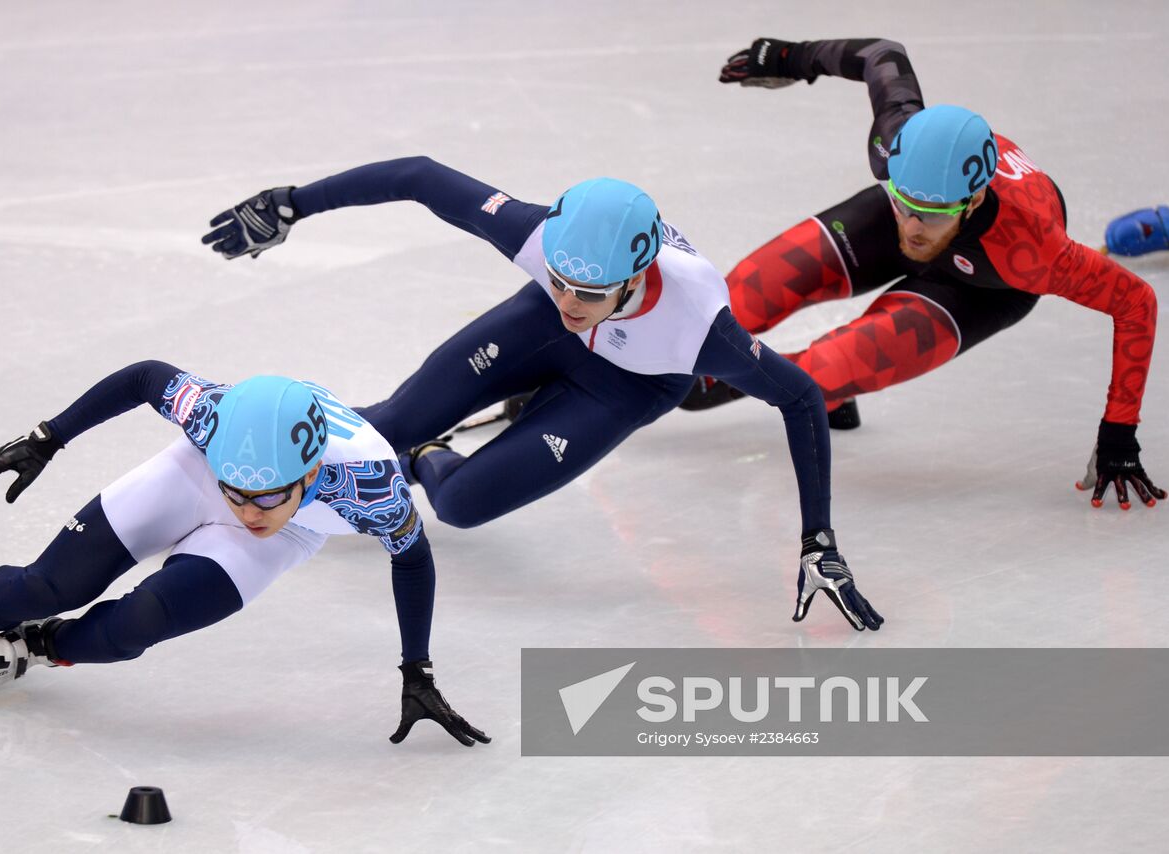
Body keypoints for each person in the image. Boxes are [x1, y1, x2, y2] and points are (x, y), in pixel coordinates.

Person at [202, 163, 883, 631]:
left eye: (588, 293)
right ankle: (391, 446)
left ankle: (428, 458)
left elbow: (799, 398)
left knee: (460, 505)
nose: (570, 302)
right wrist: (293, 201)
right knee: (387, 425)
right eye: (558, 280)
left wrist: (817, 538)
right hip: (537, 337)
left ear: (638, 273)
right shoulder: (541, 246)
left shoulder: (699, 326)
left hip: (628, 384)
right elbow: (418, 175)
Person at [0, 361, 488, 747]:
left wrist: (416, 668)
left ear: (312, 478)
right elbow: (144, 376)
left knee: (143, 620)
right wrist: (48, 437)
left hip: (297, 531)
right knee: (51, 582)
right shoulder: (210, 417)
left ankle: (41, 646)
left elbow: (413, 559)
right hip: (190, 474)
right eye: (241, 494)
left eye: (266, 497)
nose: (248, 511)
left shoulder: (371, 486)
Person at [687, 36, 1163, 512]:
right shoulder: (898, 142)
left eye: (929, 215)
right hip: (922, 216)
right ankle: (833, 379)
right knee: (742, 294)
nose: (912, 229)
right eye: (903, 204)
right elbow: (881, 54)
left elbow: (1136, 302)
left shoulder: (1035, 251)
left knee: (813, 375)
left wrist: (1119, 431)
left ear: (973, 199)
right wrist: (794, 58)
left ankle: (833, 387)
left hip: (980, 289)